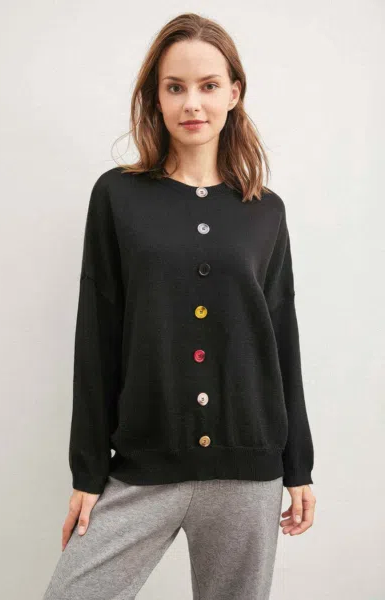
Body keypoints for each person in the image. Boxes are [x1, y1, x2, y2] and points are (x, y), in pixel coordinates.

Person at [43, 11, 316, 600]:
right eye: (175, 87)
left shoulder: (265, 210)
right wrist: (87, 471)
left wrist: (300, 464)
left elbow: (281, 337)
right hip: (143, 463)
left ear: (234, 93)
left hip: (247, 470)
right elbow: (97, 334)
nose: (192, 103)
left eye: (208, 85)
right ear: (156, 97)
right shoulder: (117, 195)